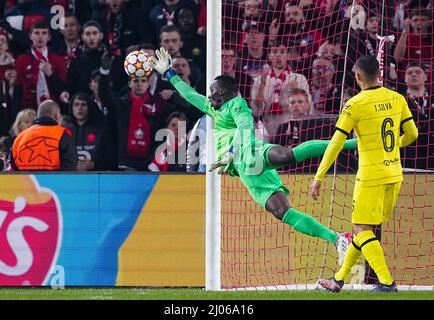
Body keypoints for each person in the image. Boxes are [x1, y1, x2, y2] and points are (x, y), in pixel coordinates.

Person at [150, 47, 358, 264]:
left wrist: (232, 152)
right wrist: (169, 74)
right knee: (282, 212)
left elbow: (244, 127)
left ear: (221, 92)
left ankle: (352, 143)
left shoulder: (237, 105)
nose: (208, 96)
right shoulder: (214, 109)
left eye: (211, 92)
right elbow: (190, 94)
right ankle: (338, 239)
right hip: (245, 170)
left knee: (288, 156)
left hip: (249, 152)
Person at [310, 56, 419, 293]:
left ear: (357, 76)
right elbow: (412, 134)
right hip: (394, 173)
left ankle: (386, 283)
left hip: (370, 176)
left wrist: (319, 176)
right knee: (364, 231)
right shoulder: (397, 98)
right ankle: (338, 280)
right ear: (378, 73)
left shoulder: (354, 104)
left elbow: (336, 143)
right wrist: (394, 146)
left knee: (361, 230)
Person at [10, 99, 77, 171]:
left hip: (26, 181)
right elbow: (70, 168)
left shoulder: (20, 138)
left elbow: (13, 168)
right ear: (56, 116)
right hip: (55, 181)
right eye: (60, 113)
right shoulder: (63, 134)